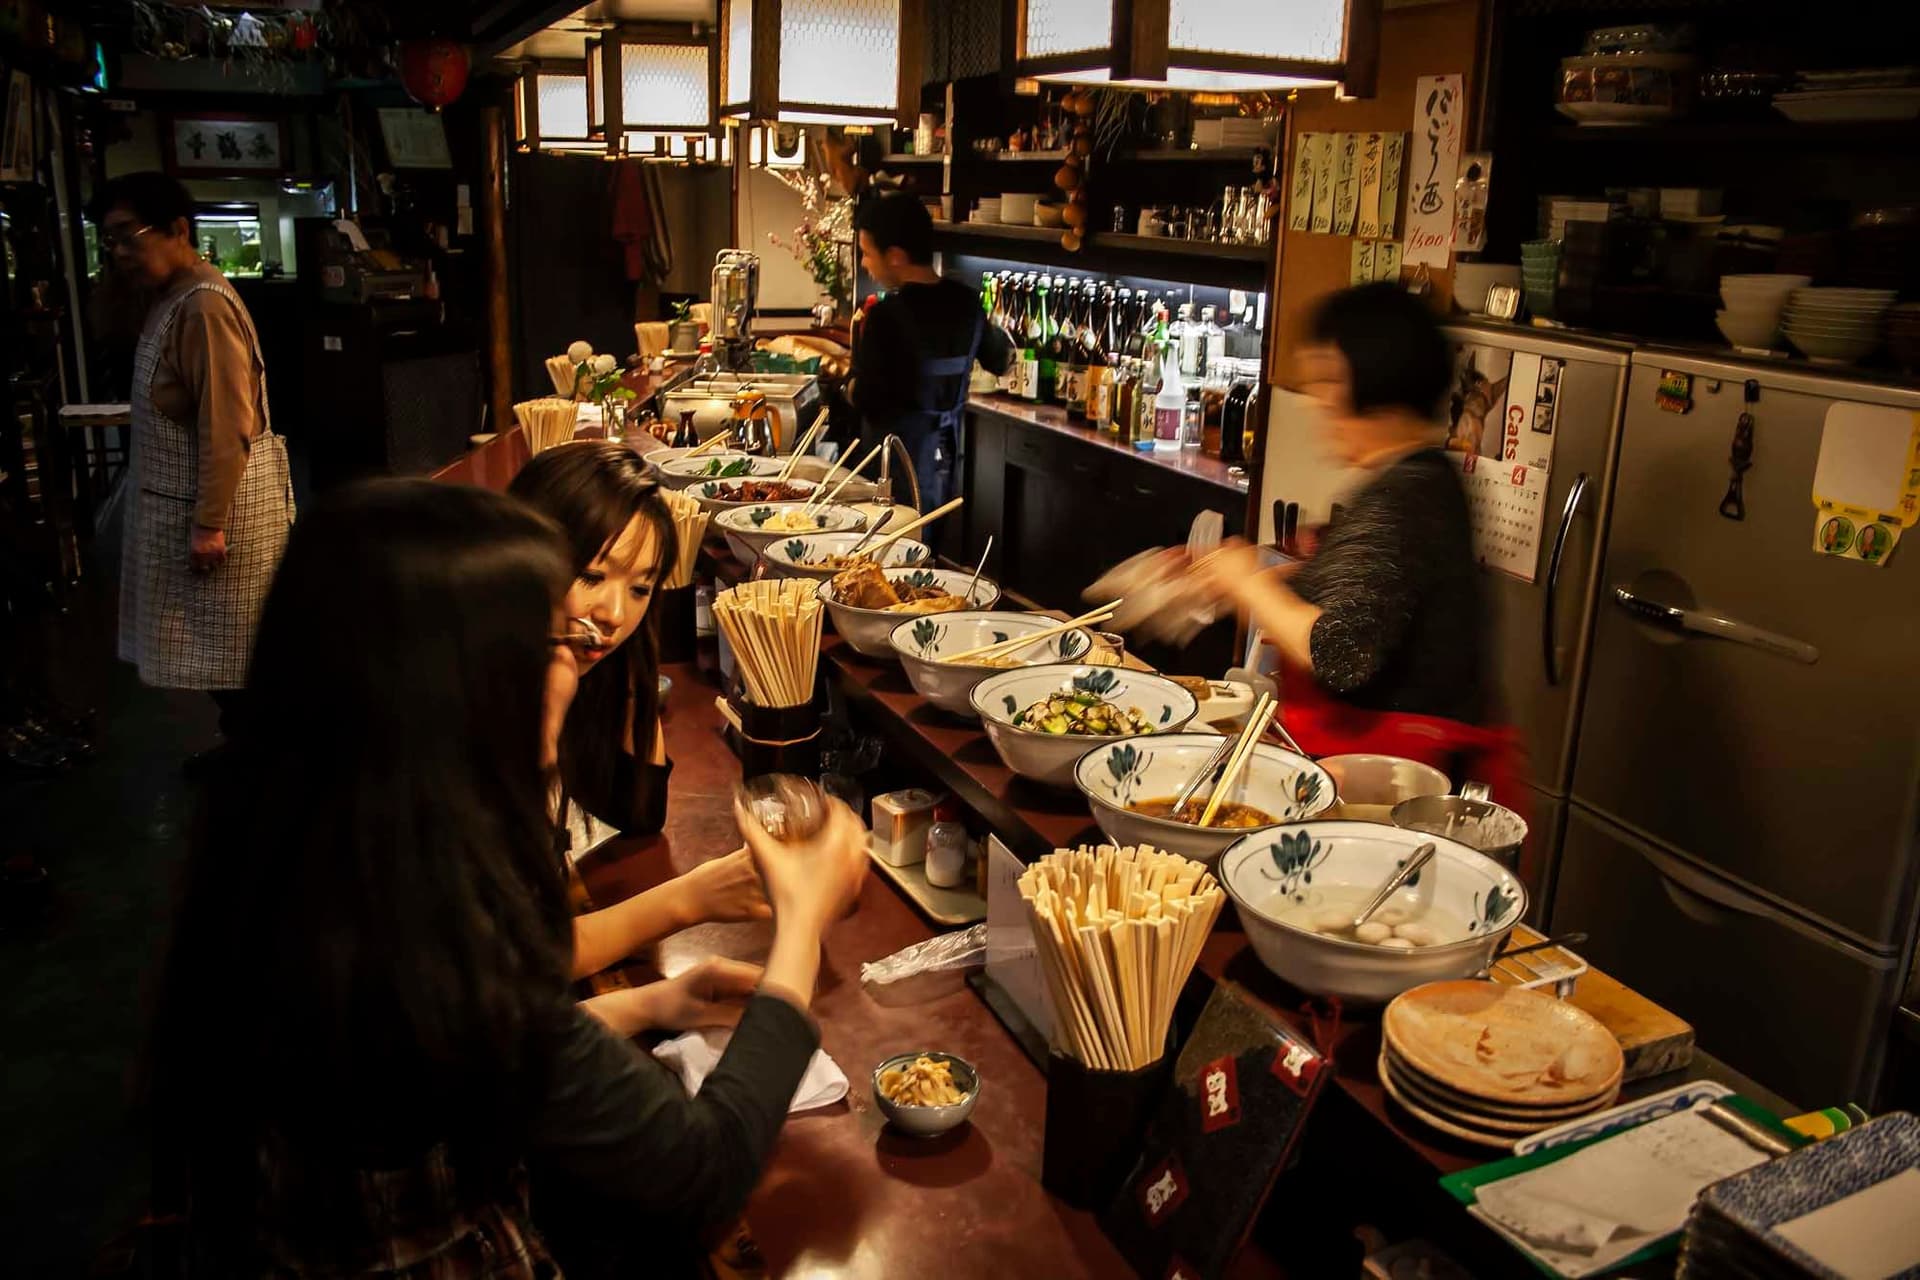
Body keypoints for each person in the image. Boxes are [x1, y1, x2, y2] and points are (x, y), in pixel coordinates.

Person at [146, 480, 870, 1276]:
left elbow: (456, 1068)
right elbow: (702, 1172)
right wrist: (800, 926)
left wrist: (650, 1002)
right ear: (437, 688)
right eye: (536, 648)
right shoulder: (415, 927)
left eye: (636, 590)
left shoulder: (310, 847)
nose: (581, 651)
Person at [1190, 284, 1518, 794]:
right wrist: (1277, 578)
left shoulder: (1404, 495)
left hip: (1388, 795)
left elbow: (1340, 654)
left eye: (1328, 379)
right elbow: (1385, 601)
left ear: (1375, 381)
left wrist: (1248, 584)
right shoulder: (1423, 478)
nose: (1318, 400)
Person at [508, 442, 771, 991]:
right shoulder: (480, 704)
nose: (614, 613)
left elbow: (637, 813)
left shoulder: (582, 667)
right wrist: (689, 899)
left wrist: (629, 663)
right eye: (590, 576)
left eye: (640, 587)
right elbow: (518, 960)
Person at [91, 172, 295, 742]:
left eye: (129, 235)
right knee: (218, 663)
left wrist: (210, 524)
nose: (120, 253)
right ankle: (245, 758)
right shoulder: (169, 296)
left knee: (238, 663)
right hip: (181, 508)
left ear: (179, 229)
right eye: (109, 241)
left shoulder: (204, 305)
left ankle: (260, 771)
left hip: (216, 518)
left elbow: (228, 425)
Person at [851, 191, 1014, 515]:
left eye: (867, 254)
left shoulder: (886, 316)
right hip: (946, 463)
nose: (865, 264)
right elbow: (1002, 359)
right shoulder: (968, 304)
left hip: (890, 471)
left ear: (895, 256)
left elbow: (865, 396)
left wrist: (847, 386)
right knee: (928, 555)